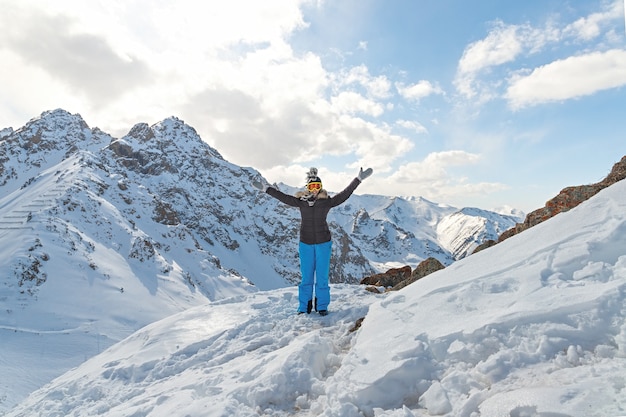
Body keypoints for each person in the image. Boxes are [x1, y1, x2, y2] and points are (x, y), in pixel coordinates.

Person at [252, 167, 373, 316]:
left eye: (317, 186)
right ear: (307, 188)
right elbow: (283, 197)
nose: (314, 190)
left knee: (322, 277)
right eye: (311, 186)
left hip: (323, 243)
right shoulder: (301, 202)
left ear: (320, 187)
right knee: (306, 277)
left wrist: (358, 179)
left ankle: (322, 306)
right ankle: (304, 307)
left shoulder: (326, 202)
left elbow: (344, 195)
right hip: (306, 244)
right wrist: (266, 188)